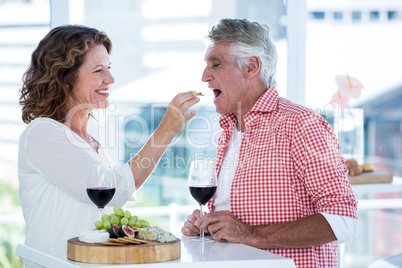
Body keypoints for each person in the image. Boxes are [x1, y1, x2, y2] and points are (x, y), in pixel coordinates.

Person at [181, 18, 358, 268]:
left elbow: (344, 221)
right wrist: (209, 227)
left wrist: (250, 234)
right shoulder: (229, 130)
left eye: (216, 64)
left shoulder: (302, 124)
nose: (204, 77)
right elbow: (237, 223)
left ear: (251, 66)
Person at [18, 25, 199, 263]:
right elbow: (113, 190)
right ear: (65, 79)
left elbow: (100, 213)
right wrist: (166, 130)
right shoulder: (42, 133)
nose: (110, 79)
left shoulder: (91, 143)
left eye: (109, 68)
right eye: (98, 70)